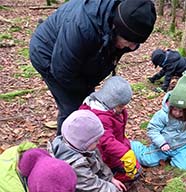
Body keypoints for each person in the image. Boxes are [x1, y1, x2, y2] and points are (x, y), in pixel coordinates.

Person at [29, 0, 156, 135]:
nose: (132, 47)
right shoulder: (82, 27)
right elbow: (63, 72)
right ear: (115, 28)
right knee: (73, 108)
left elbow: (108, 52)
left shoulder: (126, 19)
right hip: (47, 52)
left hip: (77, 55)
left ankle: (86, 137)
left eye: (136, 43)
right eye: (129, 42)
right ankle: (67, 149)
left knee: (88, 104)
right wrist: (86, 91)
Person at [48, 110, 129, 192]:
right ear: (83, 142)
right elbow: (91, 186)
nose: (98, 143)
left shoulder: (79, 145)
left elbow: (98, 163)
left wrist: (110, 179)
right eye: (95, 141)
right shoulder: (74, 164)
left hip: (83, 188)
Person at [131, 72, 186, 171]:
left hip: (182, 146)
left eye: (181, 111)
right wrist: (161, 143)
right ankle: (133, 145)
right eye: (175, 110)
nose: (177, 113)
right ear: (170, 105)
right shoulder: (162, 114)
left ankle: (175, 159)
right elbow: (153, 129)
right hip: (162, 145)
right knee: (146, 160)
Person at [79, 75, 142, 182]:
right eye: (121, 106)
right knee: (132, 173)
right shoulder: (100, 118)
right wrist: (124, 153)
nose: (123, 109)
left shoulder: (112, 110)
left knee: (136, 169)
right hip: (105, 156)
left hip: (115, 149)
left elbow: (115, 131)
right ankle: (111, 180)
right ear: (111, 101)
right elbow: (107, 141)